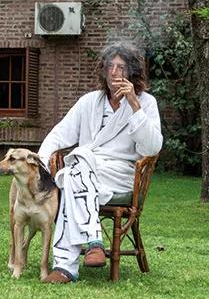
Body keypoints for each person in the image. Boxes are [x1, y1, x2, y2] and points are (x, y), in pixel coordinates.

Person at [37, 41, 162, 284]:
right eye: (110, 66)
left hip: (120, 174)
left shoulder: (146, 103)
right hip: (86, 171)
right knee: (74, 172)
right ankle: (92, 243)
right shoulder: (89, 102)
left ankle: (66, 266)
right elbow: (59, 134)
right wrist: (41, 163)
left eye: (121, 67)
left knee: (71, 175)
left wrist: (134, 105)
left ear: (133, 72)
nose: (114, 73)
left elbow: (151, 148)